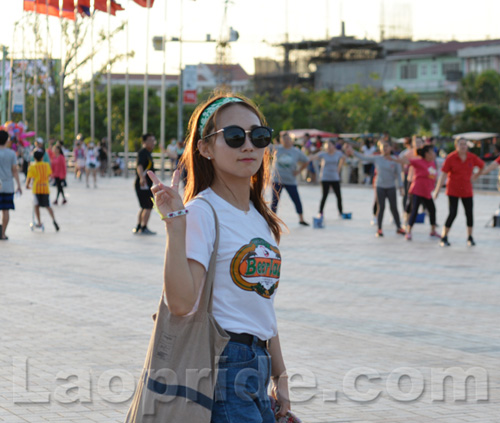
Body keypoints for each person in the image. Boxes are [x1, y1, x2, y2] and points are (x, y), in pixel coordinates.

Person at [147, 94, 290, 422]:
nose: (248, 146)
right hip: (223, 363)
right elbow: (182, 304)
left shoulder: (259, 217)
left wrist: (280, 377)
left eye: (259, 136)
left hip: (258, 361)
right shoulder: (202, 211)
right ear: (205, 148)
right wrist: (175, 226)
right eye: (235, 137)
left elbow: (262, 305)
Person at [347, 141, 406, 237]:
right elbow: (363, 157)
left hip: (391, 187)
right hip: (380, 186)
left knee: (394, 207)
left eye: (387, 146)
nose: (385, 148)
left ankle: (399, 227)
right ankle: (379, 229)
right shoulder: (377, 158)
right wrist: (353, 152)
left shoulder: (395, 160)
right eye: (383, 147)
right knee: (381, 207)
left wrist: (401, 187)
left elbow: (399, 175)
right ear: (380, 149)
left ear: (390, 148)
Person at [433, 138, 485, 247]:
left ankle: (470, 237)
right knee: (453, 213)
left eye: (465, 144)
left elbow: (482, 166)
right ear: (456, 146)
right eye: (461, 144)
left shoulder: (471, 157)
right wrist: (437, 190)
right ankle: (444, 237)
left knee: (469, 214)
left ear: (467, 146)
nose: (463, 146)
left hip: (467, 190)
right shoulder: (451, 157)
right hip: (453, 190)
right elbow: (443, 174)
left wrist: (475, 176)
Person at [392, 145, 439, 240]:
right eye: (432, 152)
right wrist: (409, 151)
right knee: (414, 211)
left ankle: (433, 231)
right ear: (427, 154)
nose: (434, 154)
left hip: (427, 192)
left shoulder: (432, 163)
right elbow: (404, 160)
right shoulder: (418, 161)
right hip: (417, 190)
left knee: (432, 210)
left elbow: (433, 176)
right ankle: (408, 231)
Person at [271, 132, 310, 226]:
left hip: (290, 180)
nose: (286, 141)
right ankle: (271, 220)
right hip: (277, 179)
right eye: (284, 139)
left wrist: (298, 171)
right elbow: (264, 147)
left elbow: (306, 161)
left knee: (296, 199)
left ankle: (301, 219)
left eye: (288, 139)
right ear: (281, 140)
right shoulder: (277, 148)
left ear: (291, 140)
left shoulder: (296, 151)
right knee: (275, 201)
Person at [309, 139, 346, 218]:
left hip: (335, 177)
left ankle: (340, 212)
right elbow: (313, 157)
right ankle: (320, 212)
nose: (328, 147)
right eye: (327, 146)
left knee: (338, 196)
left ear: (334, 146)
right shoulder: (323, 154)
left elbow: (344, 158)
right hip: (325, 178)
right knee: (324, 195)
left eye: (330, 145)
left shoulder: (338, 153)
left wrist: (339, 168)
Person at [26, 149, 60, 232]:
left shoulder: (32, 166)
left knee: (36, 205)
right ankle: (54, 220)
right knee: (47, 206)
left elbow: (29, 178)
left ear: (34, 158)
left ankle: (39, 222)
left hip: (36, 188)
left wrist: (27, 185)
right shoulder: (46, 165)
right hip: (45, 188)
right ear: (42, 158)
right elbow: (49, 175)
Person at [0, 130, 22, 240]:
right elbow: (14, 171)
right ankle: (3, 233)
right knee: (6, 211)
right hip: (8, 186)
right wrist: (19, 185)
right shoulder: (11, 154)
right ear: (7, 140)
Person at [133, 133, 157, 235]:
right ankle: (144, 227)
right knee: (148, 206)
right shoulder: (142, 153)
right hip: (143, 184)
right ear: (144, 142)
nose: (153, 143)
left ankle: (139, 226)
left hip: (145, 184)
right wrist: (142, 178)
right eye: (151, 141)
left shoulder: (148, 153)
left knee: (144, 206)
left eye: (153, 141)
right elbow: (139, 166)